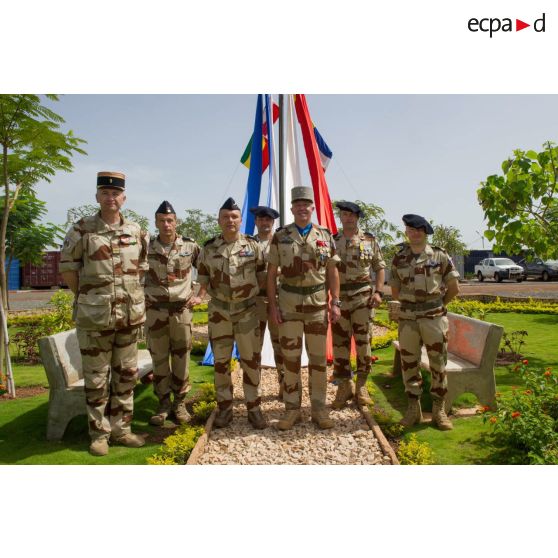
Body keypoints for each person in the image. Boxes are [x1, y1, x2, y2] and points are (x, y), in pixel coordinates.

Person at [59, 171, 149, 456]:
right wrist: (88, 298)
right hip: (95, 319)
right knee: (97, 379)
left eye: (116, 194)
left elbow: (141, 270)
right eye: (105, 193)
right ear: (97, 197)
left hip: (129, 317)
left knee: (125, 376)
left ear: (124, 198)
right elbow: (68, 269)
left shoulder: (136, 231)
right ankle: (98, 434)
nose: (111, 198)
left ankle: (122, 430)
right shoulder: (82, 230)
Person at [267, 186, 341, 430]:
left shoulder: (325, 235)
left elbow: (332, 271)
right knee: (291, 359)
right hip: (288, 305)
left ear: (312, 208)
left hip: (317, 305)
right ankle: (292, 410)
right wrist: (273, 306)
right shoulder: (281, 236)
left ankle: (319, 409)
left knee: (318, 360)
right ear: (291, 209)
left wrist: (335, 302)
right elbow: (270, 275)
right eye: (297, 204)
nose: (302, 208)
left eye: (306, 204)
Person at [196, 197, 267, 429]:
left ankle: (254, 408)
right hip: (220, 312)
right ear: (219, 220)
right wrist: (198, 295)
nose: (230, 220)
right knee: (221, 362)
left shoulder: (252, 246)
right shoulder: (209, 248)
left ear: (240, 220)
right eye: (225, 217)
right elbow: (203, 277)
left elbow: (262, 275)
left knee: (251, 361)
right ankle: (225, 409)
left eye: (234, 216)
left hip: (247, 311)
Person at [390, 214, 460, 430]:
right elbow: (395, 289)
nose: (414, 233)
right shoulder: (399, 257)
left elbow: (454, 288)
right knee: (409, 364)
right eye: (410, 229)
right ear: (406, 232)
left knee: (438, 364)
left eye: (418, 229)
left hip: (433, 318)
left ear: (425, 232)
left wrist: (438, 306)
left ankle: (439, 410)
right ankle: (414, 410)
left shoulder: (439, 255)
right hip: (408, 319)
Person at [144, 200, 201, 426]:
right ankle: (163, 403)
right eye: (162, 221)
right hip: (155, 312)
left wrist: (200, 294)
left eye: (170, 220)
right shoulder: (146, 247)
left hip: (181, 311)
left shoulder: (190, 246)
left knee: (181, 358)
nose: (166, 224)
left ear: (176, 222)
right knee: (158, 359)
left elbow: (206, 269)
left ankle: (179, 403)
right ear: (156, 223)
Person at [331, 201, 386, 408]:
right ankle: (345, 386)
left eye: (352, 215)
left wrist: (379, 292)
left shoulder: (370, 240)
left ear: (358, 217)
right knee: (340, 344)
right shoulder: (332, 240)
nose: (348, 218)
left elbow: (380, 267)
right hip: (340, 298)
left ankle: (362, 385)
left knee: (363, 343)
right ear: (341, 217)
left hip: (363, 296)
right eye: (344, 214)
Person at [249, 205, 284, 397]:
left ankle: (284, 385)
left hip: (278, 301)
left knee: (281, 345)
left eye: (268, 220)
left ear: (273, 222)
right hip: (254, 302)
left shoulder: (281, 243)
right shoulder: (248, 244)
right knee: (254, 347)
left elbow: (289, 268)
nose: (264, 223)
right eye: (261, 220)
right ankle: (255, 386)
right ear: (256, 222)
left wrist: (271, 273)